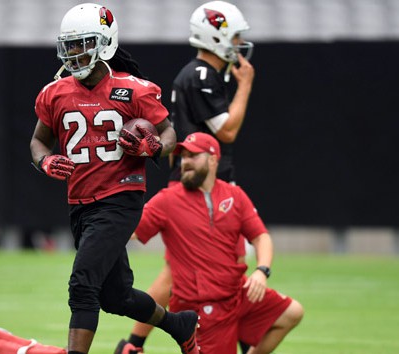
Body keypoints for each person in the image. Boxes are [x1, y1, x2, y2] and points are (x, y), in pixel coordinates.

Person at [29, 4, 199, 354]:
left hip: (120, 199)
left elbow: (170, 135)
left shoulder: (133, 90)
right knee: (115, 296)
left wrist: (153, 147)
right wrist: (46, 161)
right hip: (80, 203)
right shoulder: (55, 92)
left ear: (105, 42)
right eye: (70, 45)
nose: (75, 53)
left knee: (82, 285)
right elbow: (38, 141)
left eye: (83, 43)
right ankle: (178, 325)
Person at [116, 2, 256, 352]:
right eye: (235, 36)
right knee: (213, 267)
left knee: (181, 270)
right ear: (217, 35)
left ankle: (134, 343)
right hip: (196, 185)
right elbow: (228, 130)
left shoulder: (201, 74)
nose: (239, 43)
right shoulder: (202, 75)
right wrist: (245, 86)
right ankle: (139, 342)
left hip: (197, 181)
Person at [128, 132, 304, 353]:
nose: (186, 162)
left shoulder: (235, 195)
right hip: (201, 306)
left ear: (212, 160)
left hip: (236, 294)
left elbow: (261, 237)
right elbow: (130, 230)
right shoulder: (168, 200)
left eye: (193, 156)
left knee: (292, 312)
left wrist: (262, 271)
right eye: (183, 156)